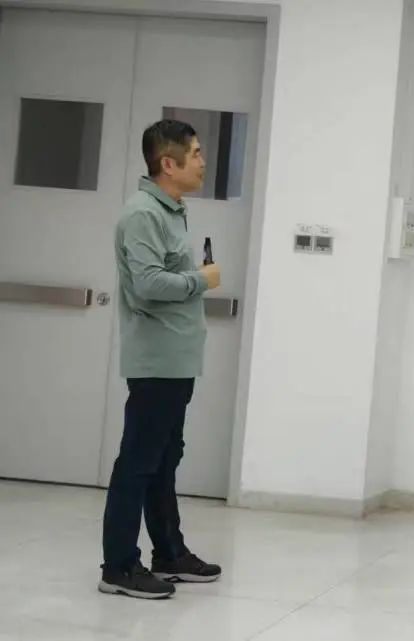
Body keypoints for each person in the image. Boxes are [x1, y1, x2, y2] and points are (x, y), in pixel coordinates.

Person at [100, 120, 223, 599]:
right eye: (195, 153)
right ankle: (118, 566)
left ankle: (169, 553)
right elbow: (148, 284)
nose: (203, 162)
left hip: (177, 358)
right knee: (138, 461)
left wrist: (193, 279)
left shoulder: (171, 211)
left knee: (164, 458)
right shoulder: (142, 215)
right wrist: (201, 280)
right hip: (156, 361)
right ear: (168, 164)